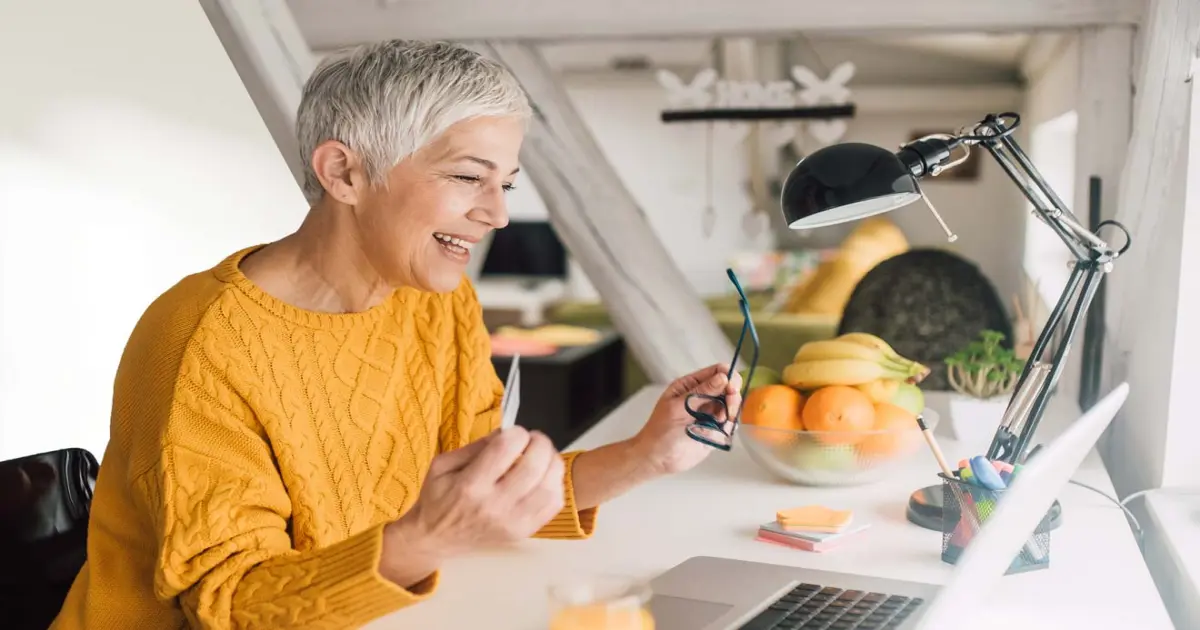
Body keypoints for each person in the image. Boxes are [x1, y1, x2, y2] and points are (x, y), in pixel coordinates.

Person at [49, 39, 742, 630]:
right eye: (469, 177)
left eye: (506, 184)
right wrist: (425, 538)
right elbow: (232, 607)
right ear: (344, 172)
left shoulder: (435, 301)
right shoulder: (203, 343)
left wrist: (648, 455)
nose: (497, 213)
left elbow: (482, 493)